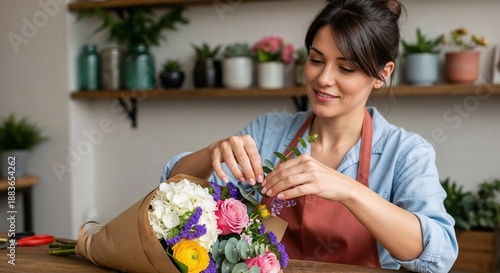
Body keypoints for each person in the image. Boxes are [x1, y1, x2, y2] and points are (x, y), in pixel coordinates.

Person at [161, 0, 458, 271]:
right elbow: (174, 193)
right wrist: (213, 150)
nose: (324, 79)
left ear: (383, 74)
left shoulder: (406, 153)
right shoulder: (269, 132)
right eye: (316, 60)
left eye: (346, 67)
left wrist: (347, 189)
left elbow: (439, 256)